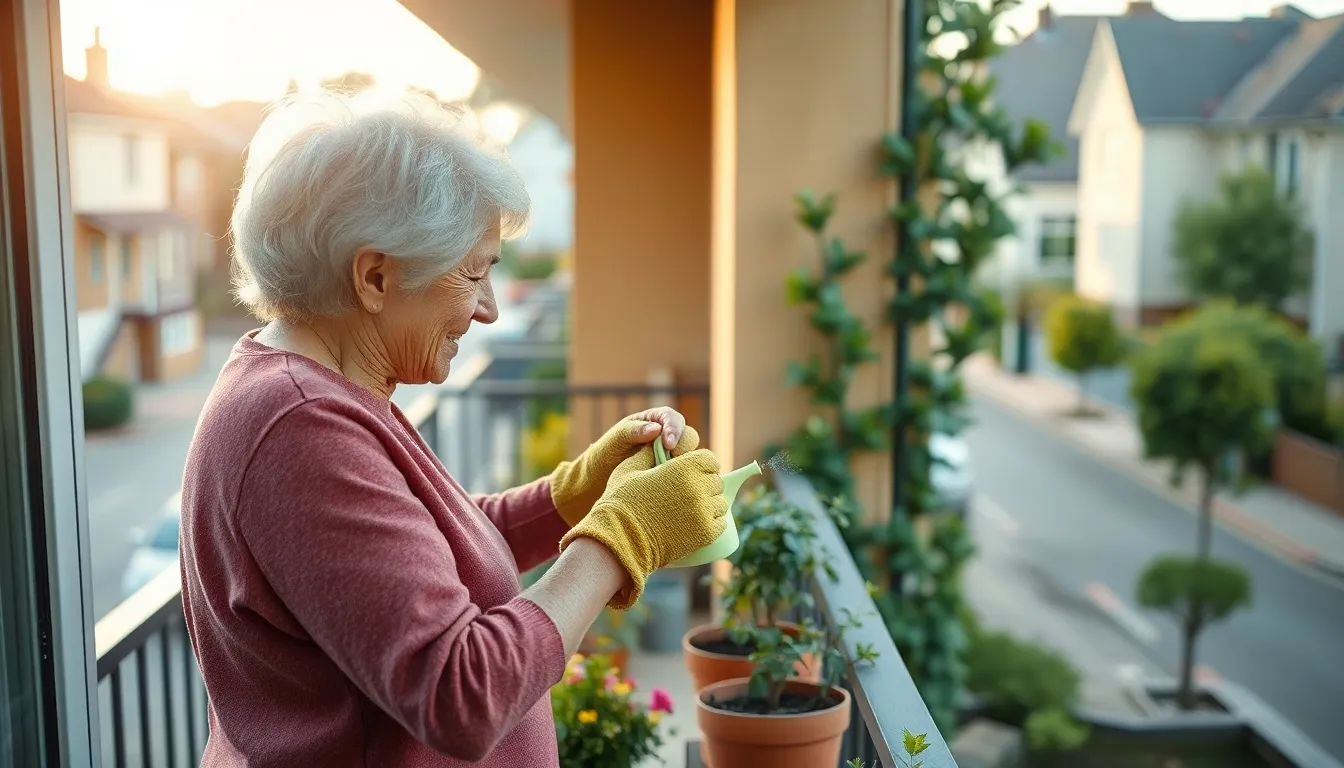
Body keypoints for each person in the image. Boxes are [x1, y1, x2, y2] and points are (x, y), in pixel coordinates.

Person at [178, 89, 728, 767]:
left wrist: (574, 496)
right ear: (375, 276)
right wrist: (624, 535)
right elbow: (461, 693)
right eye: (474, 273)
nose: (490, 309)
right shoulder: (300, 425)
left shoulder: (320, 391)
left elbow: (425, 559)